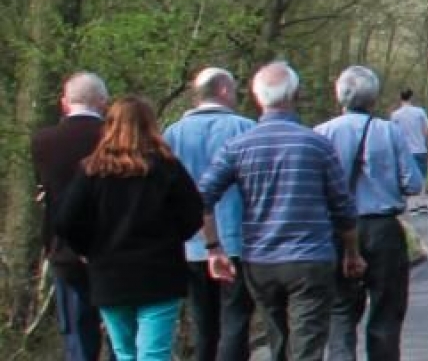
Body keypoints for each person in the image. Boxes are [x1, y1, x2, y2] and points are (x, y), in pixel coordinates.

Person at [197, 62, 363, 361]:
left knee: (278, 340)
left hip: (259, 260)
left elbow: (202, 197)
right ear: (294, 94)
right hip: (309, 258)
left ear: (258, 98)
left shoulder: (238, 146)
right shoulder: (317, 145)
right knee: (308, 344)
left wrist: (213, 247)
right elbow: (343, 207)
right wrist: (352, 251)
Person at [51, 97, 206, 361]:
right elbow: (193, 213)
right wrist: (171, 239)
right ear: (150, 126)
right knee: (153, 353)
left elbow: (65, 220)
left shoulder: (92, 170)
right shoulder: (167, 167)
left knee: (125, 353)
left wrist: (87, 248)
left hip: (108, 273)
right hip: (160, 272)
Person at [314, 66, 422, 361]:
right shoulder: (390, 131)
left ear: (340, 98)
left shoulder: (321, 134)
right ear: (373, 100)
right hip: (383, 228)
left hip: (336, 230)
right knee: (386, 309)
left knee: (340, 311)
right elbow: (413, 183)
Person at [163, 68, 258, 361]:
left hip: (191, 243)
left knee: (203, 325)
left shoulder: (172, 134)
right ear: (224, 91)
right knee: (235, 320)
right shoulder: (246, 129)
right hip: (237, 240)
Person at [32, 72, 111, 361]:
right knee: (121, 331)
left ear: (65, 103)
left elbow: (44, 188)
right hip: (113, 245)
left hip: (63, 244)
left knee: (77, 332)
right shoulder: (114, 138)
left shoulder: (44, 141)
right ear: (103, 103)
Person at [387, 88, 428, 212]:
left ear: (400, 98)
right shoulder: (420, 112)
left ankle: (411, 204)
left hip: (404, 150)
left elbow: (392, 132)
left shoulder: (395, 115)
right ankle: (422, 202)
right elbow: (427, 130)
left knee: (406, 176)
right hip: (419, 148)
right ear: (411, 97)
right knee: (422, 175)